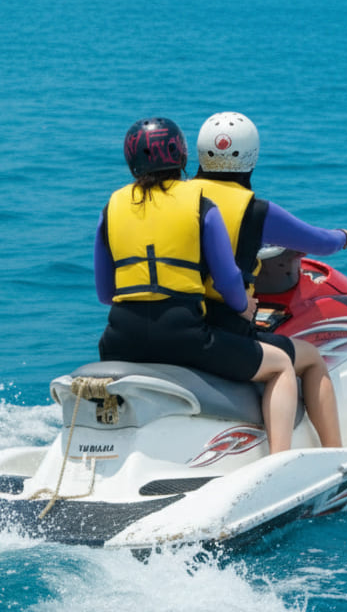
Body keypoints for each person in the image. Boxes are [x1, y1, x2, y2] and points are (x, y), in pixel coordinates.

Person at [94, 117, 300, 455]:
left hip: (119, 341)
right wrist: (242, 306)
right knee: (280, 364)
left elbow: (105, 293)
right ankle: (280, 462)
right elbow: (227, 278)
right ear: (182, 155)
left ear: (131, 160)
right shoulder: (200, 204)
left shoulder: (111, 208)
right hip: (184, 336)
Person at [193, 111, 347, 448]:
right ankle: (334, 454)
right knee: (309, 359)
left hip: (183, 319)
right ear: (252, 156)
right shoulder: (255, 211)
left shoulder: (179, 198)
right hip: (224, 327)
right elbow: (319, 243)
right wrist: (343, 236)